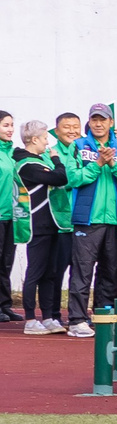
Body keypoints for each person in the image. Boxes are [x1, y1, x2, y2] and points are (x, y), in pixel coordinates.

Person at [63, 104, 117, 338]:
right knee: (82, 271)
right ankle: (77, 319)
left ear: (111, 122)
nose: (98, 124)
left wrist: (112, 164)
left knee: (112, 270)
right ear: (89, 122)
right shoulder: (78, 146)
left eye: (103, 119)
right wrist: (97, 165)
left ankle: (103, 317)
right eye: (94, 119)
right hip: (88, 220)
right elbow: (73, 178)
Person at [17, 118, 72, 334]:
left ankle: (48, 317)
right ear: (33, 139)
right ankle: (30, 319)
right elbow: (60, 178)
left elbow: (58, 178)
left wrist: (54, 167)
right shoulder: (27, 164)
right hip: (36, 225)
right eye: (45, 139)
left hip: (52, 225)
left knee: (51, 273)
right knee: (35, 272)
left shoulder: (39, 161)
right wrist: (57, 160)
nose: (48, 144)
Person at [0, 110, 18, 324]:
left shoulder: (13, 153)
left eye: (12, 125)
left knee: (5, 263)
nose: (10, 129)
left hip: (12, 216)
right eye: (5, 125)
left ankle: (4, 305)